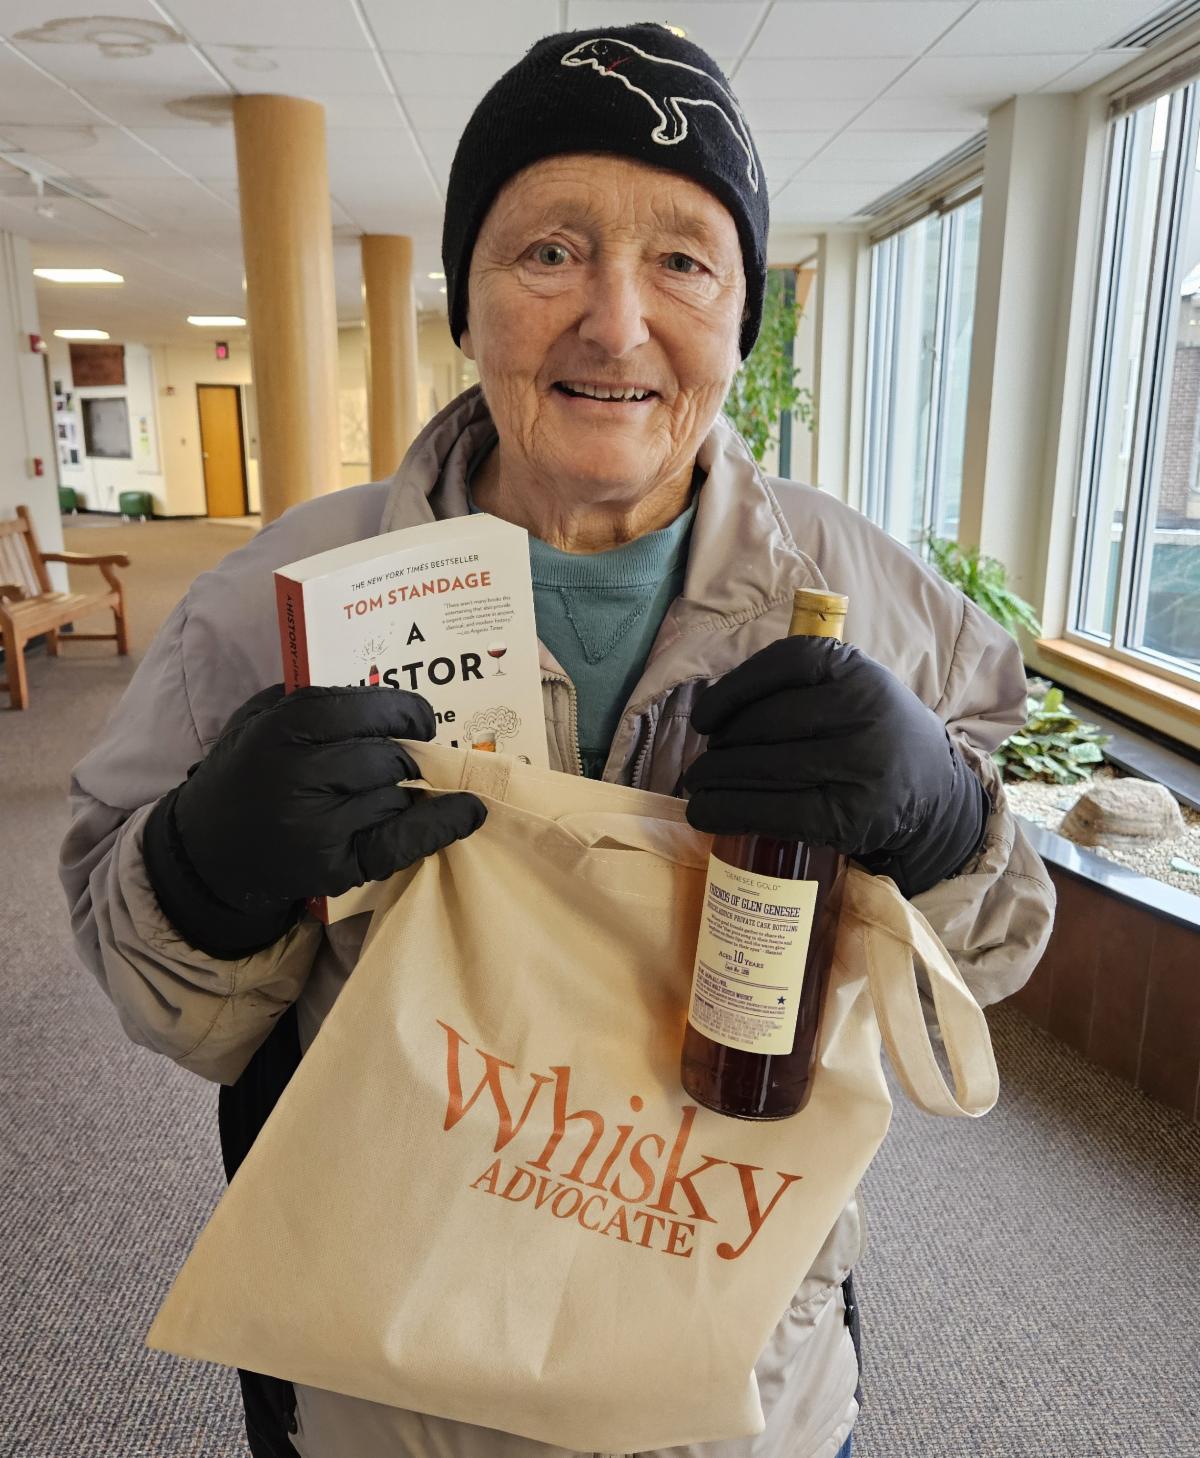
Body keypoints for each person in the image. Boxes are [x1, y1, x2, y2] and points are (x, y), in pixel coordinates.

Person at [60, 23, 1054, 1458]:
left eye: (683, 262)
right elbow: (162, 997)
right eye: (549, 252)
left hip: (741, 1382)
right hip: (395, 1377)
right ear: (466, 302)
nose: (616, 322)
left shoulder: (890, 610)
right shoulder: (272, 601)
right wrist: (208, 873)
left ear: (740, 316)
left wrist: (949, 825)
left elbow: (998, 954)